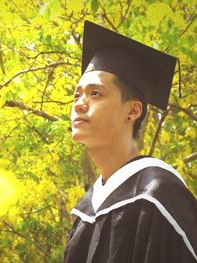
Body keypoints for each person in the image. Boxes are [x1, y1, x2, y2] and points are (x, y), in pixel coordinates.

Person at [64, 20, 197, 263]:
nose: (79, 104)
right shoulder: (84, 210)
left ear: (133, 111)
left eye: (95, 93)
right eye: (76, 94)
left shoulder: (159, 196)